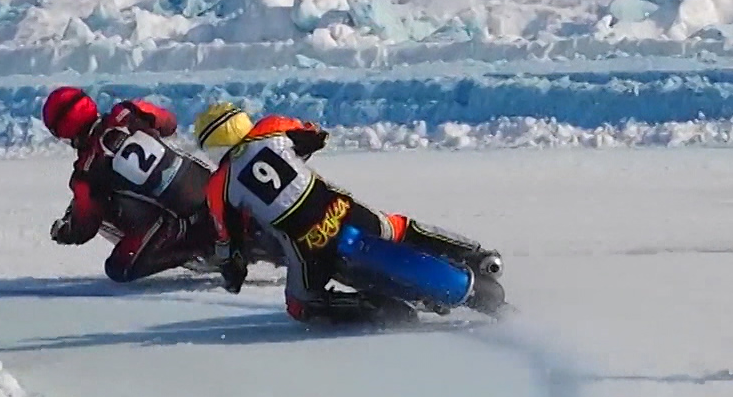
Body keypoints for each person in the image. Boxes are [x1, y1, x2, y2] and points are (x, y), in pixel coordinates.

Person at [193, 102, 503, 326]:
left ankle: (381, 310)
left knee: (301, 305)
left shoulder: (219, 186)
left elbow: (227, 244)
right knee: (396, 227)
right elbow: (315, 134)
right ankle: (476, 254)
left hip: (306, 244)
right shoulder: (270, 128)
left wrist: (233, 275)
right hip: (341, 209)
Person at [41, 86, 244, 285]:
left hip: (177, 218)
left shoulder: (87, 171)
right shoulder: (127, 112)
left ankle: (190, 250)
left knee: (118, 269)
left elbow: (84, 226)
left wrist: (64, 233)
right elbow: (169, 123)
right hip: (206, 182)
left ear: (62, 131)